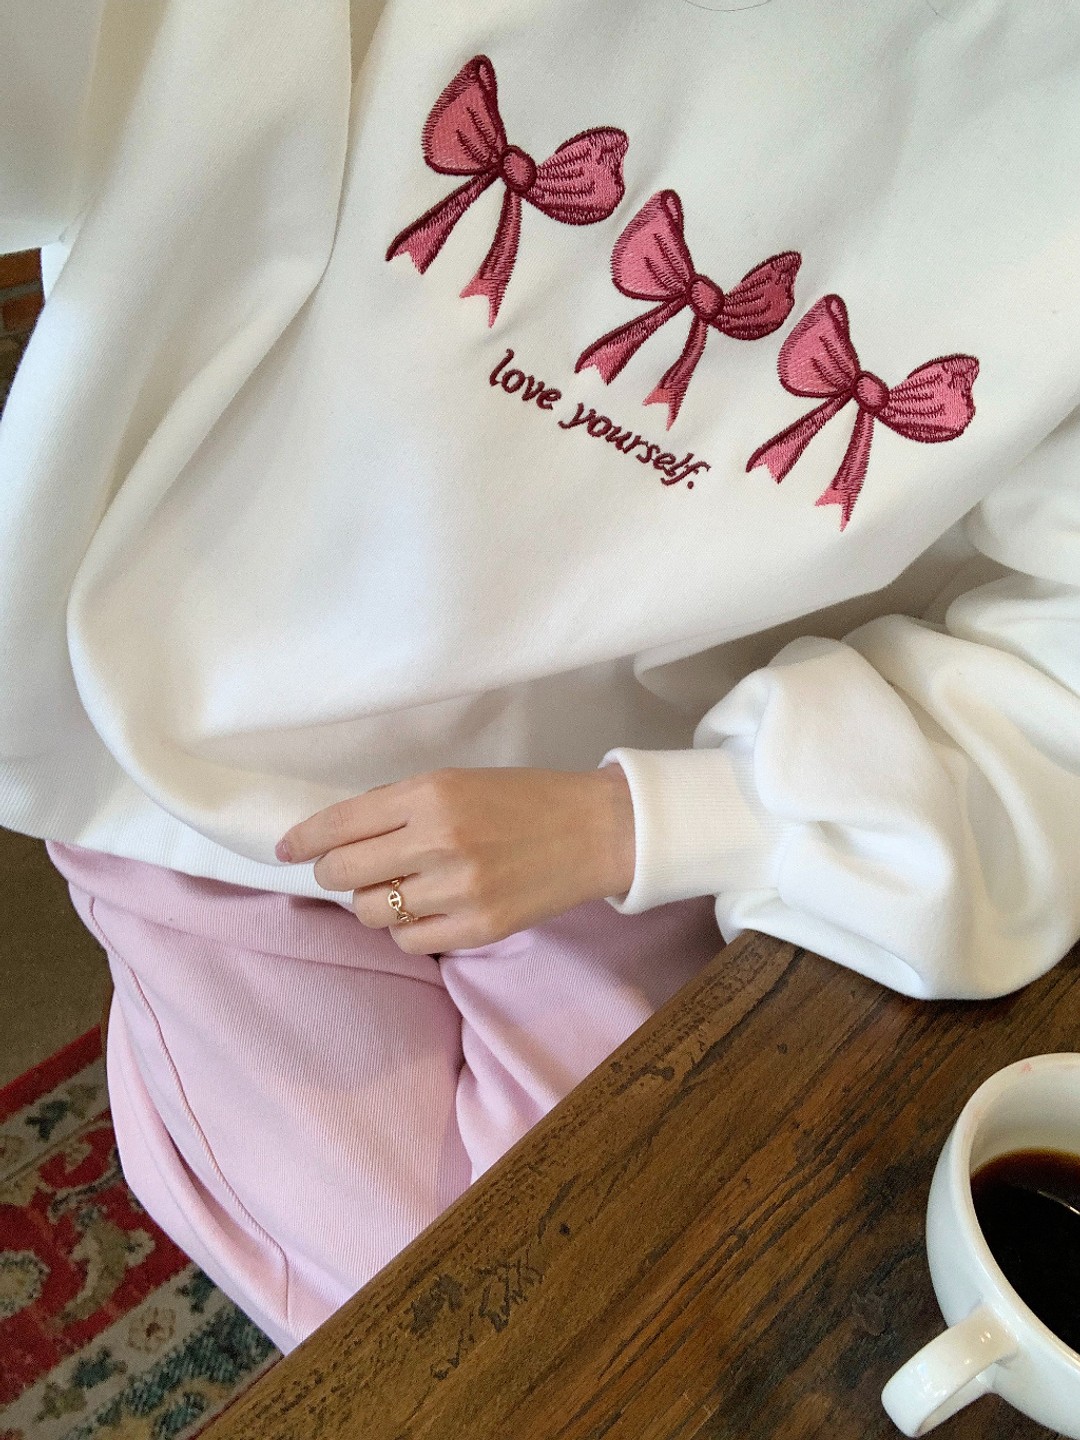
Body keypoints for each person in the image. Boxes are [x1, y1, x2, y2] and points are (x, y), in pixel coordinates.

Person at [1, 0, 1077, 1355]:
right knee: (460, 1328)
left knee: (607, 1307)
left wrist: (651, 820)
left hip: (655, 813)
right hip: (217, 774)